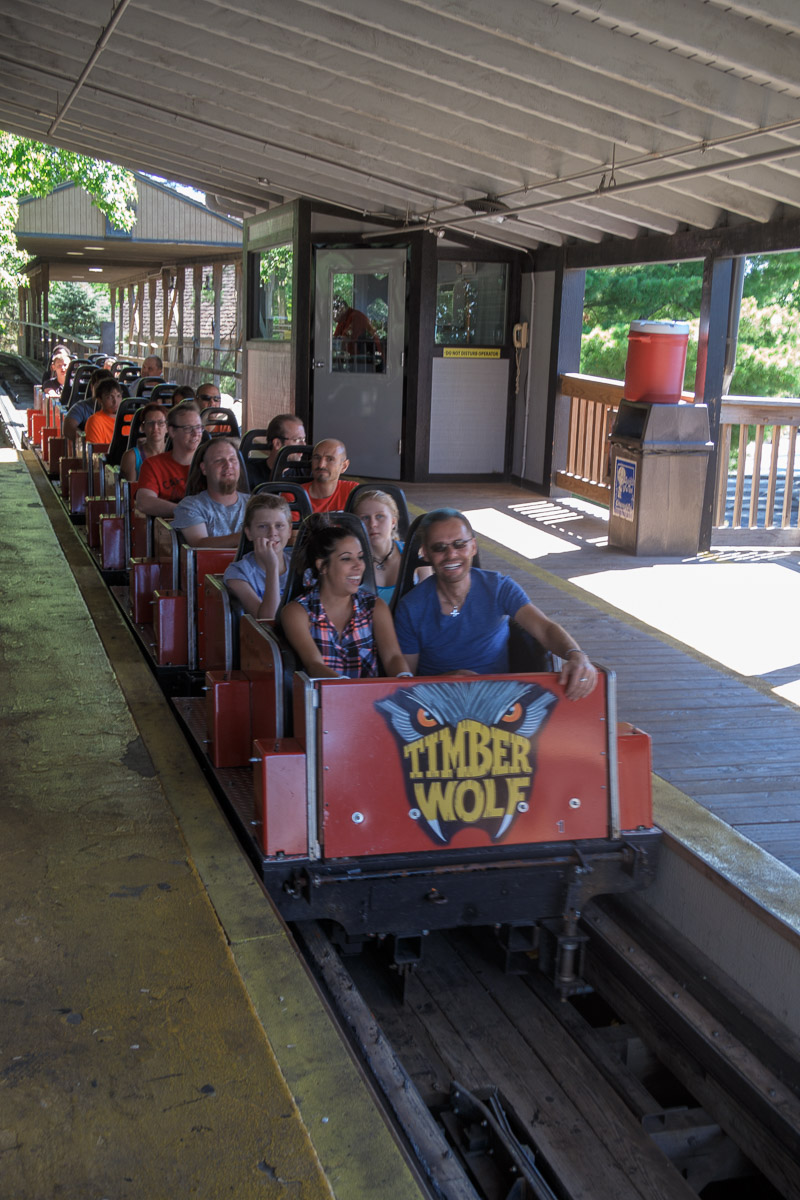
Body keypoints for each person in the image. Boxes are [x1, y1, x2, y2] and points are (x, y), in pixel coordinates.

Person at [394, 508, 597, 698]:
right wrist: (446, 680)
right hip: (437, 702)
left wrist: (576, 655)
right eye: (439, 548)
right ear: (425, 553)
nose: (451, 554)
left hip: (500, 700)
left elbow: (544, 628)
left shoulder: (499, 587)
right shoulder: (410, 607)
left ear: (473, 547)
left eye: (459, 544)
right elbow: (405, 680)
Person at [281, 523, 409, 679]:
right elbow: (314, 664)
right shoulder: (298, 612)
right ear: (322, 566)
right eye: (346, 559)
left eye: (360, 557)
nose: (359, 566)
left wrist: (403, 677)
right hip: (323, 694)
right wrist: (343, 687)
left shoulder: (375, 607)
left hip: (369, 694)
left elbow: (393, 657)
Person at [351, 488, 431, 603]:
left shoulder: (415, 554)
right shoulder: (351, 561)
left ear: (393, 522)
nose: (372, 524)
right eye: (365, 518)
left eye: (379, 516)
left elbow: (428, 601)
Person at [222, 494, 292, 619]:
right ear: (249, 533)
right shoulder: (238, 573)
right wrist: (272, 567)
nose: (272, 533)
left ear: (289, 531)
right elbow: (268, 620)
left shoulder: (302, 567)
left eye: (279, 526)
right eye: (263, 526)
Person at [171, 437, 249, 548]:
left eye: (232, 459)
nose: (228, 465)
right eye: (219, 460)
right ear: (204, 468)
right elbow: (199, 544)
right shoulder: (190, 506)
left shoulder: (256, 504)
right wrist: (248, 536)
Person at [135, 401, 203, 518]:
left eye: (198, 427)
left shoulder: (209, 464)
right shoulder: (153, 465)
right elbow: (144, 502)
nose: (195, 433)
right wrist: (187, 512)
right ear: (172, 431)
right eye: (188, 428)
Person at [302, 438, 358, 513]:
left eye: (330, 459)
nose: (321, 465)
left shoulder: (353, 491)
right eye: (317, 458)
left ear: (344, 466)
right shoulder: (295, 494)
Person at [63, 368, 115, 441]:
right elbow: (68, 428)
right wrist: (88, 439)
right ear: (91, 387)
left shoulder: (119, 408)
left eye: (107, 387)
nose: (103, 390)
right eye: (100, 387)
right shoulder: (82, 407)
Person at [120, 403, 168, 482]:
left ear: (167, 427)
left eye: (160, 423)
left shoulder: (176, 454)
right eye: (150, 423)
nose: (155, 427)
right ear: (142, 428)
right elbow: (131, 488)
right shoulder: (132, 457)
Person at [84, 378, 122, 445]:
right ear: (100, 400)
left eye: (118, 396)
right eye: (110, 397)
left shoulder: (130, 418)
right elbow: (96, 450)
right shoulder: (95, 421)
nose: (115, 401)